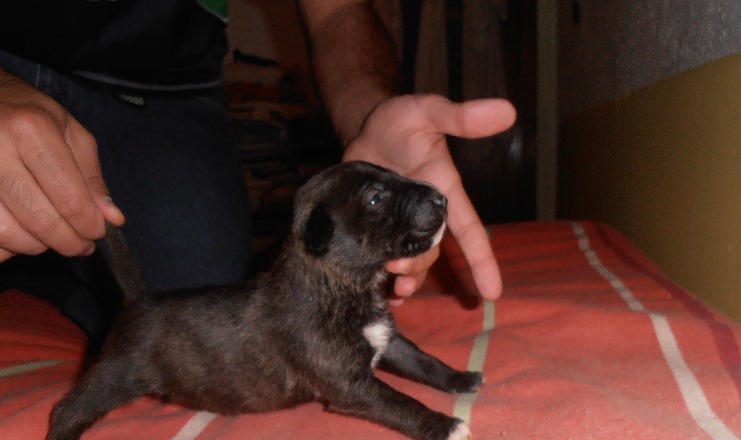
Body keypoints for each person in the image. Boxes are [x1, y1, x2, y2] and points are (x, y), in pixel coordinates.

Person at [0, 0, 516, 340]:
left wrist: (368, 113)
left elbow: (337, 13)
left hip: (163, 90)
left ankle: (52, 278)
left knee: (201, 330)